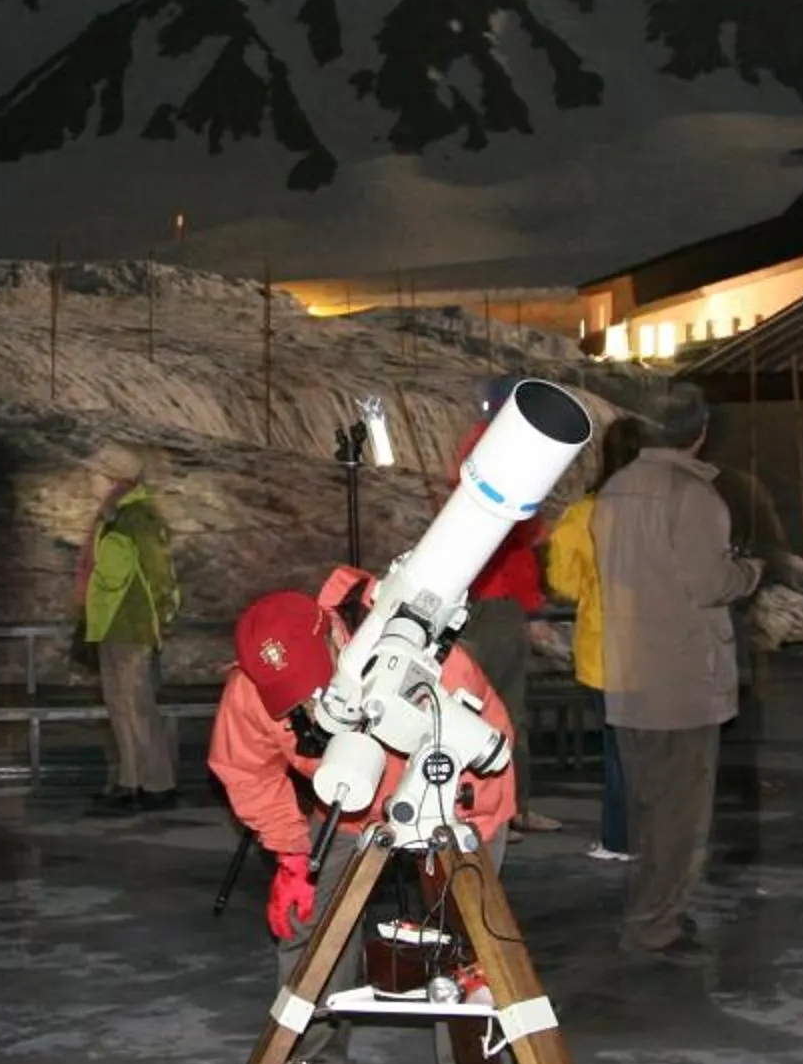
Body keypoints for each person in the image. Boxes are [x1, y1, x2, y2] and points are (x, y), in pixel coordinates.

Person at [213, 574, 519, 988]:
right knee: (310, 927)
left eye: (311, 683)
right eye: (291, 693)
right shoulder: (252, 688)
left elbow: (483, 756)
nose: (307, 703)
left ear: (333, 641)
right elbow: (248, 770)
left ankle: (468, 1048)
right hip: (347, 807)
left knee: (463, 948)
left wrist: (460, 844)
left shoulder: (428, 662)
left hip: (456, 801)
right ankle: (308, 1052)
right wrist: (291, 854)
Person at [593, 390, 758, 962]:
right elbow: (709, 583)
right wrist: (748, 571)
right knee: (680, 816)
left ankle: (651, 915)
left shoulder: (614, 489)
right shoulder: (693, 495)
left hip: (629, 667)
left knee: (648, 808)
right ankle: (653, 927)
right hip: (682, 675)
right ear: (701, 430)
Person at [453, 379, 565, 835]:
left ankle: (495, 808)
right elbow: (518, 540)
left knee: (481, 709)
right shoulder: (503, 452)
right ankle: (505, 810)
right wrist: (532, 605)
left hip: (481, 596)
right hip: (496, 604)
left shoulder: (479, 448)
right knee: (503, 711)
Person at [544, 418, 644, 862]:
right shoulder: (666, 510)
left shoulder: (584, 514)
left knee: (619, 751)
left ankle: (620, 839)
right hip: (660, 646)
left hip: (604, 648)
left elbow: (563, 581)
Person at [80, 441, 181, 814]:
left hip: (131, 625)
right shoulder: (115, 515)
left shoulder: (136, 518)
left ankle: (157, 783)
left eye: (94, 473)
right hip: (113, 624)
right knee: (121, 705)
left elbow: (153, 574)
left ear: (112, 478)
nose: (88, 480)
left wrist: (158, 618)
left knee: (136, 705)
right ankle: (131, 780)